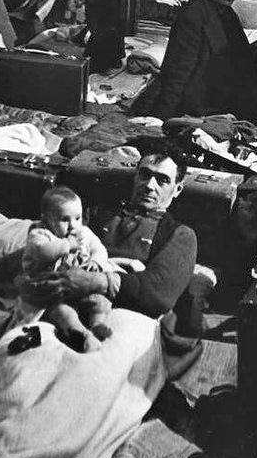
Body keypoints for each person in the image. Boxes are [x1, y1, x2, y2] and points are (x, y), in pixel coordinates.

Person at [36, 148, 198, 332]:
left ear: (177, 189)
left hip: (127, 315)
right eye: (144, 175)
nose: (149, 185)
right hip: (67, 298)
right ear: (135, 177)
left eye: (162, 180)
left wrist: (96, 281)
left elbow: (158, 294)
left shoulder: (181, 235)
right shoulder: (94, 213)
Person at [17, 186, 113, 353]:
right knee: (62, 312)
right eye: (65, 219)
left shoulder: (84, 233)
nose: (73, 225)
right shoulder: (40, 234)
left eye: (78, 218)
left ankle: (97, 325)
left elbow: (100, 249)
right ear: (47, 221)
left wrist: (95, 261)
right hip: (49, 289)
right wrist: (67, 245)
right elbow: (43, 252)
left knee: (100, 300)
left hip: (77, 286)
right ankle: (80, 333)